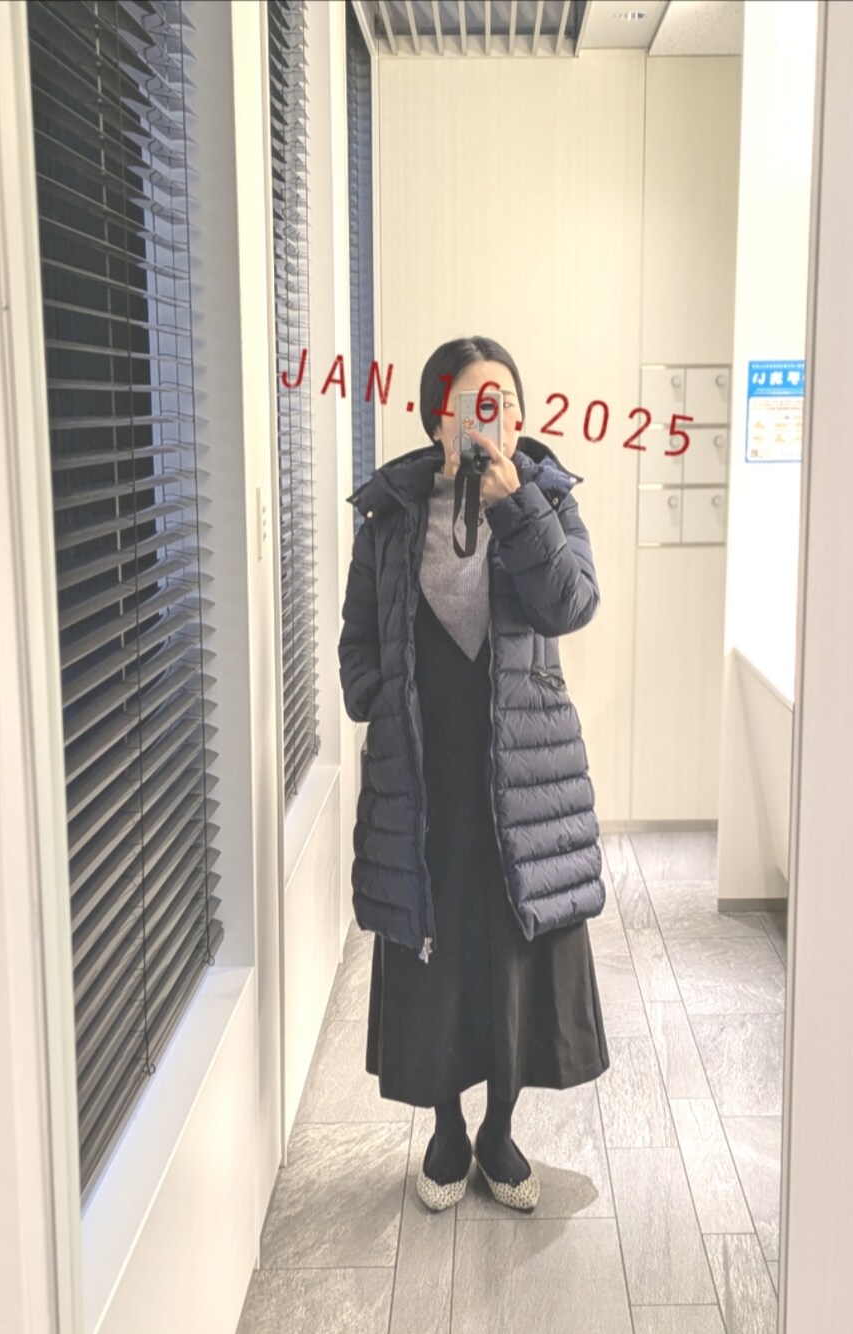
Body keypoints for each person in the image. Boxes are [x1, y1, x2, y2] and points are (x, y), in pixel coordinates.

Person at [338, 335, 609, 1214]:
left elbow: (572, 604)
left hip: (522, 780)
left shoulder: (548, 499)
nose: (494, 417)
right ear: (438, 417)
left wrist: (516, 504)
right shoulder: (389, 517)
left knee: (512, 959)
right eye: (475, 402)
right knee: (436, 957)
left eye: (507, 402)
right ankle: (448, 1130)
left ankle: (499, 1131)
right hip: (423, 781)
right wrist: (378, 697)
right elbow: (356, 638)